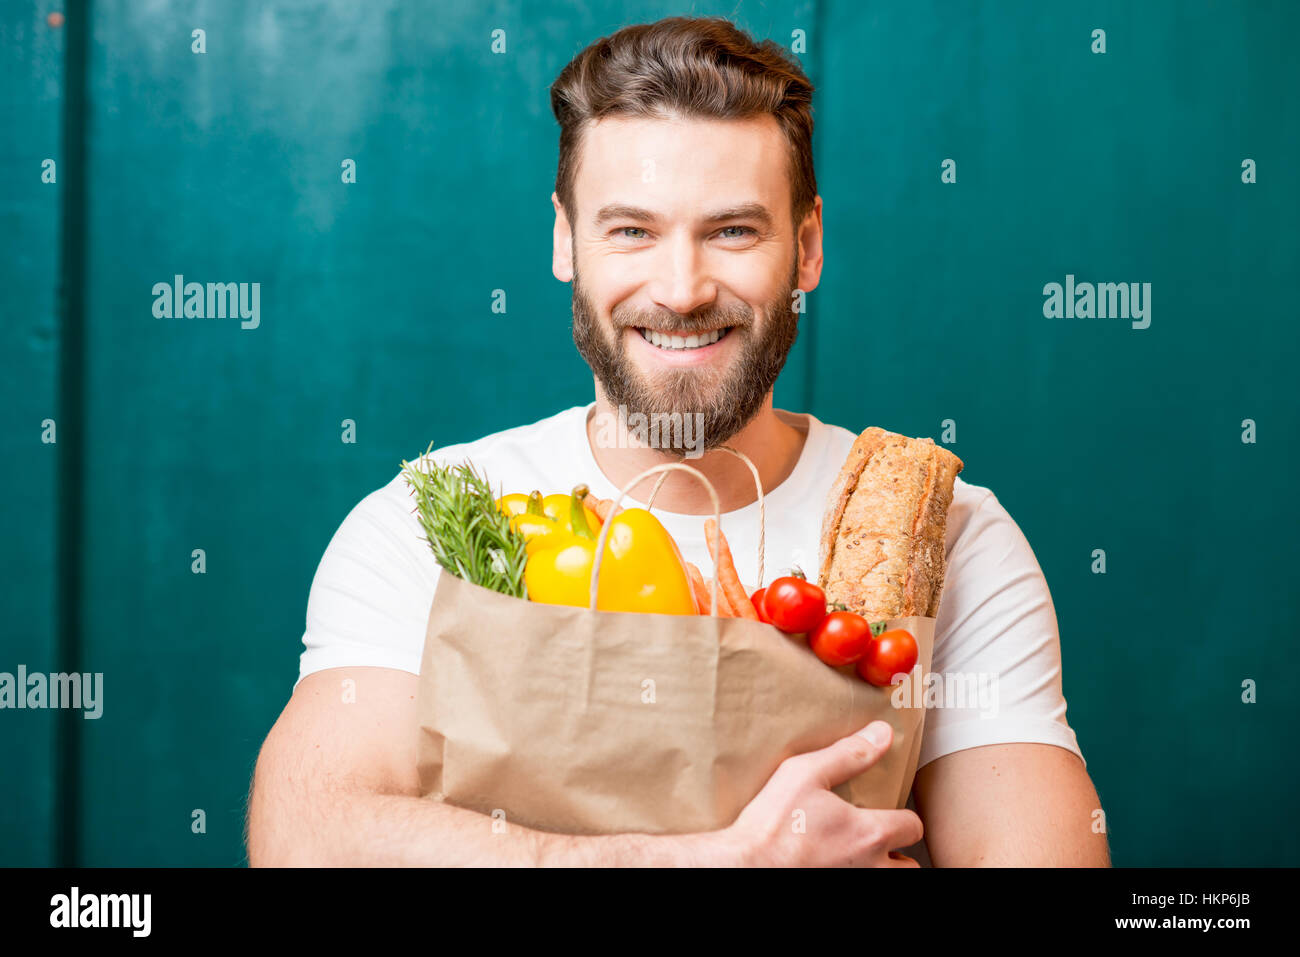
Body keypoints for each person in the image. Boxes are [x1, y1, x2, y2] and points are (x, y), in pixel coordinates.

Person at [246, 16, 1109, 867]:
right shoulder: (426, 521)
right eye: (632, 230)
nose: (682, 287)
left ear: (806, 247)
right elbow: (306, 838)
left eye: (732, 230)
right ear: (565, 240)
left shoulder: (959, 539)